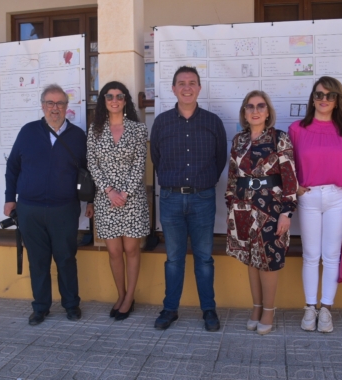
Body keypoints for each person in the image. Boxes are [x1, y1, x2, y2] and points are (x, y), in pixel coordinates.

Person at [4, 84, 94, 325]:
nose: (55, 108)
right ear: (43, 105)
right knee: (38, 260)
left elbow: (89, 171)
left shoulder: (77, 136)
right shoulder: (28, 132)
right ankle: (41, 307)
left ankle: (71, 305)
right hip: (30, 209)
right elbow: (12, 166)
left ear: (67, 107)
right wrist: (9, 198)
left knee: (66, 258)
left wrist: (91, 200)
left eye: (60, 103)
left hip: (64, 209)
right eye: (50, 103)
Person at [150, 66, 227, 331]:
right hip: (170, 199)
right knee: (174, 258)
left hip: (203, 199)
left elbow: (220, 160)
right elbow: (156, 159)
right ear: (173, 89)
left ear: (199, 88)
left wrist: (203, 184)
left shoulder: (212, 122)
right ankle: (170, 309)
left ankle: (209, 309)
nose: (187, 87)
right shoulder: (161, 122)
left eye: (192, 82)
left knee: (204, 257)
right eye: (181, 83)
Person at [289, 76, 342, 333]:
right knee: (311, 255)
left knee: (331, 256)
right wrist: (296, 188)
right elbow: (290, 166)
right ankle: (310, 308)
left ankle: (326, 310)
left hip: (337, 197)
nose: (324, 99)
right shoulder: (297, 129)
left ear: (337, 100)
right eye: (319, 94)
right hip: (308, 197)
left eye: (330, 95)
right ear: (312, 98)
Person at [226, 90, 298, 335]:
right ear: (244, 113)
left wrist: (287, 212)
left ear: (268, 112)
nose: (255, 111)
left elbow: (289, 177)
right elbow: (233, 177)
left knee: (268, 260)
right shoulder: (238, 140)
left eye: (260, 106)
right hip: (243, 206)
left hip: (271, 207)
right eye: (250, 107)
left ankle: (269, 309)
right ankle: (256, 307)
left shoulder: (280, 138)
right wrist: (231, 204)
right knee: (251, 259)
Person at [87, 81, 149, 321]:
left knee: (131, 249)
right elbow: (92, 164)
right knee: (113, 251)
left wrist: (124, 193)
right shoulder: (95, 130)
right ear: (104, 101)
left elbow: (140, 163)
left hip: (131, 199)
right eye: (110, 96)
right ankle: (121, 294)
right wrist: (109, 191)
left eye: (119, 96)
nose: (115, 100)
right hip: (106, 199)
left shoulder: (138, 129)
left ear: (125, 100)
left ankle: (130, 297)